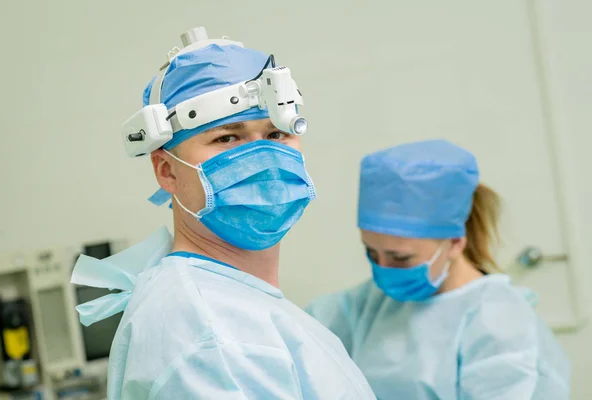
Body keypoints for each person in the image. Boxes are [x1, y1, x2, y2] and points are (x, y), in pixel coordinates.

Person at [71, 27, 376, 399]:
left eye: (277, 135)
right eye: (226, 138)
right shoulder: (209, 331)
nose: (263, 157)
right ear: (166, 170)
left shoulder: (229, 306)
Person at [307, 139, 570, 399]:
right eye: (371, 253)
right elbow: (302, 341)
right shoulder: (368, 304)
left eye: (400, 258)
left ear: (454, 243)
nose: (383, 269)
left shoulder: (497, 318)